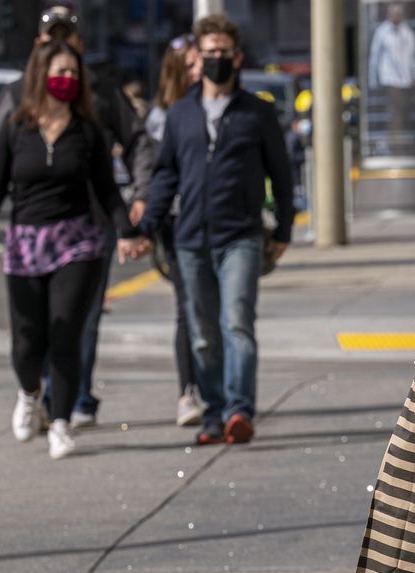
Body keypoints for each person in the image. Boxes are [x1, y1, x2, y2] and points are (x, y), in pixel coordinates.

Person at [0, 5, 157, 429]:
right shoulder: (16, 99)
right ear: (38, 46)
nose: (61, 48)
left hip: (90, 230)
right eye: (52, 38)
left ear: (81, 44)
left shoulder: (101, 94)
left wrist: (138, 202)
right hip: (31, 232)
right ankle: (36, 392)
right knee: (33, 333)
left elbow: (138, 145)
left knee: (75, 323)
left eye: (68, 37)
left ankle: (70, 404)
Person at [137, 14, 296, 446]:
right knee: (203, 334)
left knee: (237, 324)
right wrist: (146, 227)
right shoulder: (180, 114)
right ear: (199, 57)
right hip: (189, 239)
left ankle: (238, 410)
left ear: (236, 57)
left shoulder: (257, 113)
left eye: (222, 53)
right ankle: (211, 412)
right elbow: (165, 176)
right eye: (208, 54)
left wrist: (283, 229)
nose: (215, 60)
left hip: (241, 235)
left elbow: (281, 176)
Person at [137, 33, 206, 427]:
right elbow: (156, 174)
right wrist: (146, 220)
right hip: (178, 221)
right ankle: (189, 391)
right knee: (188, 306)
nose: (199, 72)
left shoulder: (222, 107)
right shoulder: (164, 117)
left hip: (218, 220)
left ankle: (220, 389)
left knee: (219, 311)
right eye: (191, 65)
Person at [367, 2, 415, 153]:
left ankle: (397, 141)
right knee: (394, 112)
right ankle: (394, 144)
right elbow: (374, 57)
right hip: (389, 79)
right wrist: (373, 80)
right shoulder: (382, 32)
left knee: (402, 113)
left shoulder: (408, 33)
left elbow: (414, 57)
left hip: (406, 80)